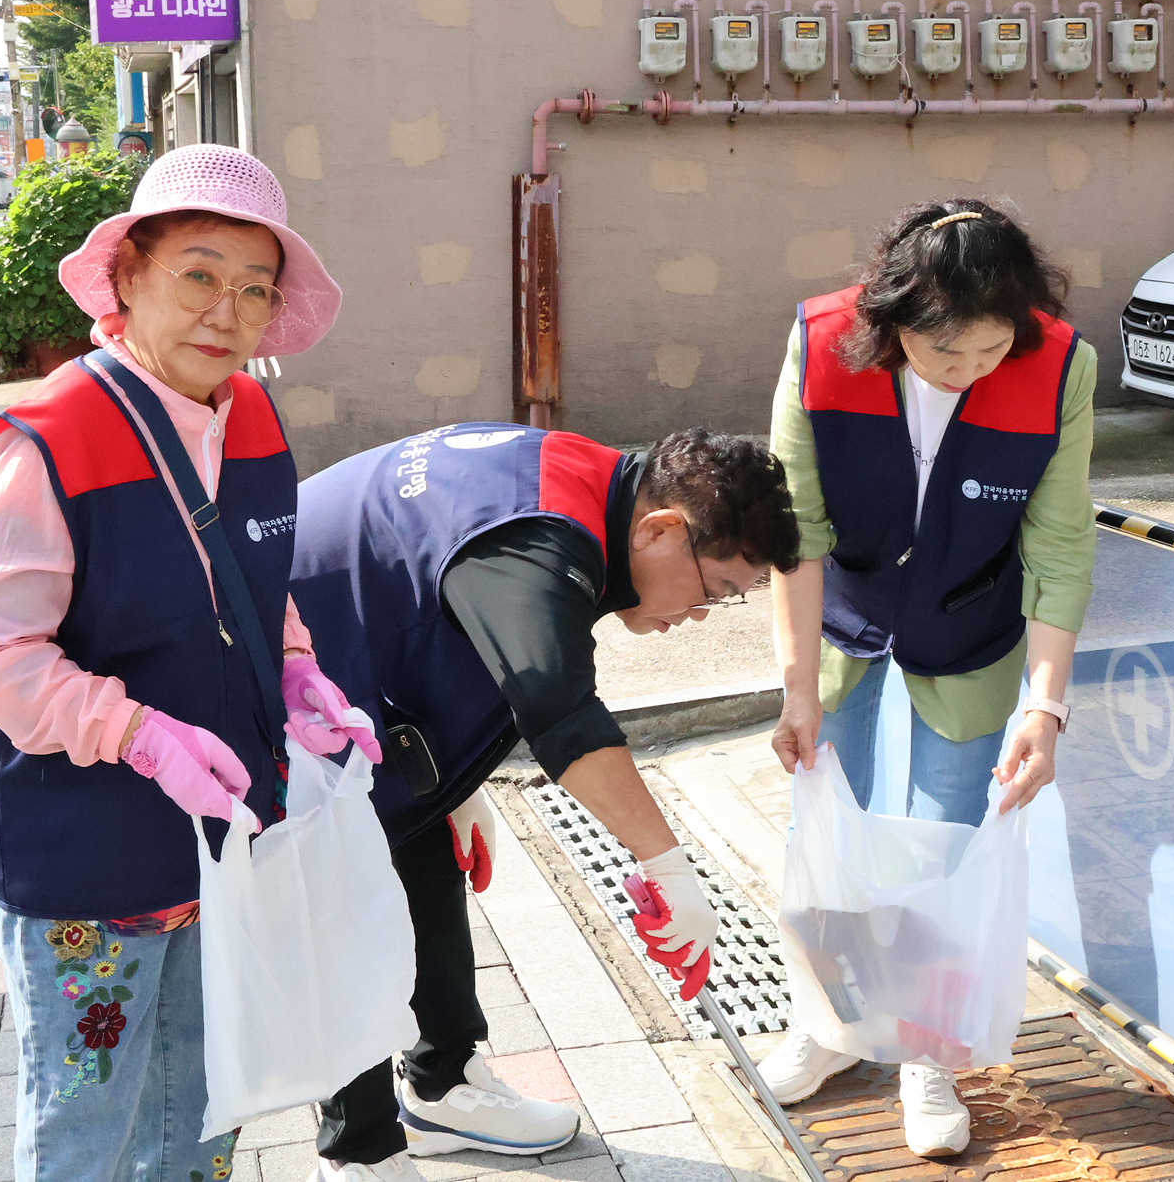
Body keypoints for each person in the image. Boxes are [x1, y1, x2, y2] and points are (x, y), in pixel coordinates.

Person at [0, 144, 363, 1182]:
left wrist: (301, 673)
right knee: (93, 1124)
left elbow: (258, 586)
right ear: (127, 276)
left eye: (255, 288)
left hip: (221, 843)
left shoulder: (252, 415)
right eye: (199, 272)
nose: (227, 309)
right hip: (87, 861)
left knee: (208, 1102)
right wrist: (138, 732)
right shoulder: (45, 436)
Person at [288, 423, 803, 1182]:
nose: (699, 614)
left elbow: (461, 614)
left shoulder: (583, 480)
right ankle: (360, 1151)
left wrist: (456, 781)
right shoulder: (540, 535)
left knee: (425, 862)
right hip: (289, 692)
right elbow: (556, 707)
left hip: (368, 692)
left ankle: (443, 1086)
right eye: (716, 590)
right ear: (662, 529)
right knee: (354, 900)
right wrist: (668, 865)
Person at [759, 198, 1096, 1156]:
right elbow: (796, 529)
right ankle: (831, 1026)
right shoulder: (822, 344)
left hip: (974, 622)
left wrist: (1046, 703)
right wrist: (795, 686)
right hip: (846, 612)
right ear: (893, 320)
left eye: (992, 353)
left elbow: (1061, 547)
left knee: (949, 834)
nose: (971, 373)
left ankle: (926, 1051)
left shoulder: (1061, 364)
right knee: (830, 814)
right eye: (947, 356)